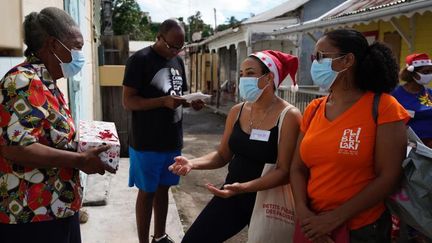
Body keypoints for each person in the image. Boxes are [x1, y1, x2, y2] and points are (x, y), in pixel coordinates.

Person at [0, 7, 115, 243]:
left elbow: (49, 136)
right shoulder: (22, 81)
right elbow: (16, 148)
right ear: (53, 45)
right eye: (76, 47)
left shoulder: (46, 82)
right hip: (32, 215)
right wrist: (80, 160)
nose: (80, 55)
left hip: (57, 208)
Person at [290, 29, 410, 243]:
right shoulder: (314, 109)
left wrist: (334, 219)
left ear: (347, 60)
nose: (314, 64)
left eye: (320, 57)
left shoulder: (384, 107)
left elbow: (389, 177)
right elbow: (298, 167)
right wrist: (303, 212)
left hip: (362, 229)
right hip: (312, 225)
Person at [169, 50, 302, 242]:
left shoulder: (289, 115)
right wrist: (192, 163)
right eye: (241, 74)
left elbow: (284, 170)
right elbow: (222, 155)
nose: (243, 79)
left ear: (269, 77)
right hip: (232, 192)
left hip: (268, 201)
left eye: (249, 73)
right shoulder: (237, 111)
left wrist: (244, 188)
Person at [122, 19, 204, 243]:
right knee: (147, 192)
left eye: (180, 47)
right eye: (172, 47)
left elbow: (176, 98)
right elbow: (128, 102)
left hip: (171, 140)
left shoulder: (177, 61)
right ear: (158, 38)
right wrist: (161, 102)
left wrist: (191, 102)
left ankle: (159, 236)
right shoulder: (140, 60)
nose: (176, 52)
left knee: (164, 189)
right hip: (146, 142)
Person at [391, 53, 432, 242]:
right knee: (409, 190)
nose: (428, 75)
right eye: (425, 71)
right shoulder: (396, 95)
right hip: (407, 150)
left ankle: (423, 229)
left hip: (428, 152)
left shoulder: (428, 94)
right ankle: (405, 228)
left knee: (424, 190)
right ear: (412, 72)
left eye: (430, 71)